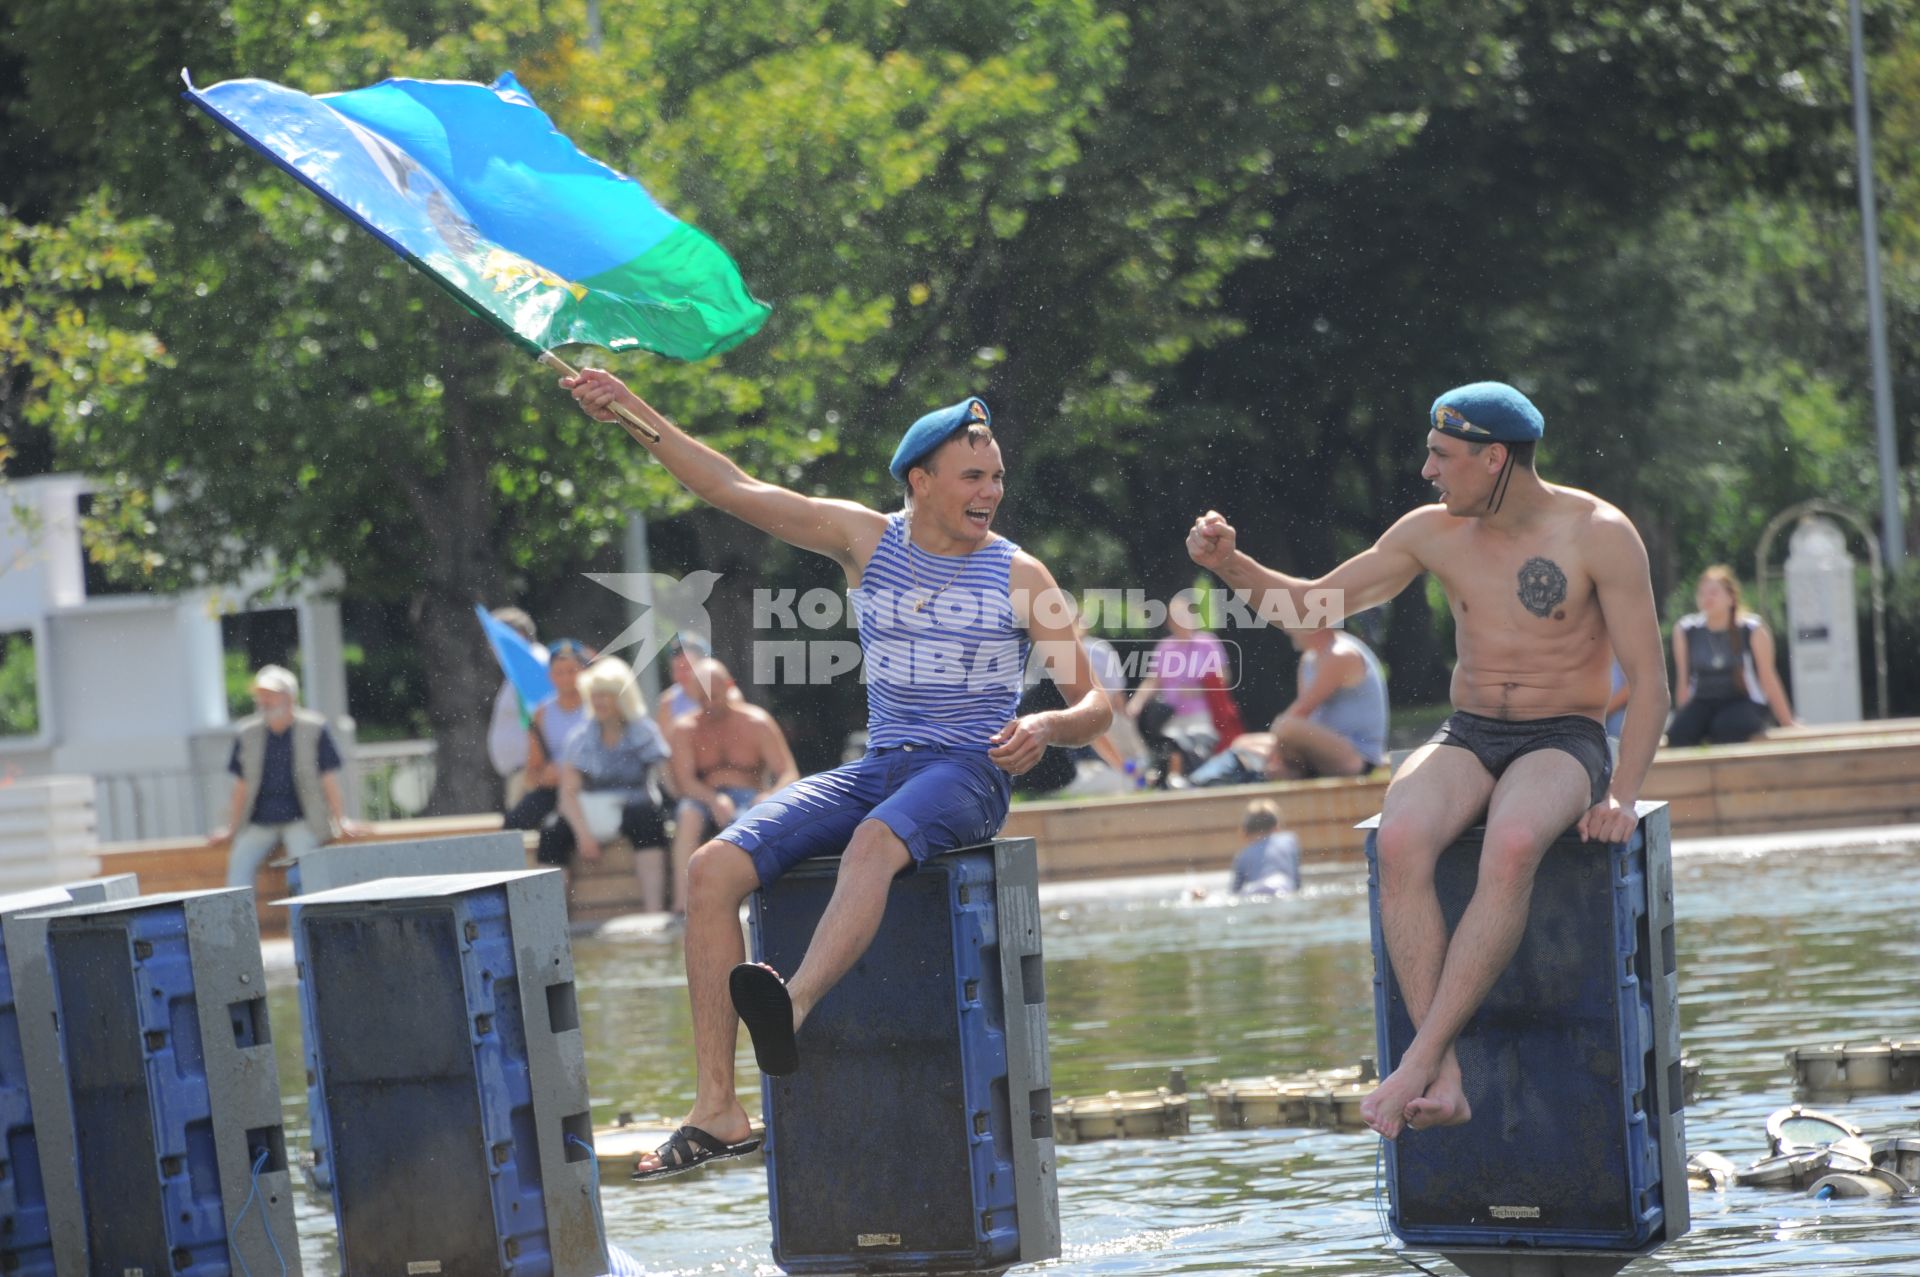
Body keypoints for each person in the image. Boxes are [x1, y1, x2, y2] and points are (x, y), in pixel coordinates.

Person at [562, 368, 1110, 1179]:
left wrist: (1047, 724)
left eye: (996, 476)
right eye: (973, 476)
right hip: (880, 762)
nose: (991, 490)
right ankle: (717, 1107)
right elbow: (730, 486)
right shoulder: (864, 538)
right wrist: (630, 412)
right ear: (920, 481)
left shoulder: (1021, 574)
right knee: (711, 869)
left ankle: (795, 1000)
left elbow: (1099, 700)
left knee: (874, 841)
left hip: (970, 769)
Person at [1186, 380, 1668, 1141]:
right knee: (1399, 837)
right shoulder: (1431, 530)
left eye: (1442, 456)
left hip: (1563, 736)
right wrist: (1231, 563)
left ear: (1494, 458)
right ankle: (1441, 1072)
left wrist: (1622, 791)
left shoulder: (1599, 533)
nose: (1426, 471)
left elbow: (1650, 683)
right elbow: (1311, 605)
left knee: (1511, 845)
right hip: (1472, 729)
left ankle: (1418, 1058)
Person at [664, 657, 801, 918]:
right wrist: (713, 799)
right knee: (688, 816)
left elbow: (788, 772)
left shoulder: (756, 722)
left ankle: (752, 899)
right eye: (700, 699)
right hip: (702, 797)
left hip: (749, 797)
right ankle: (683, 902)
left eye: (713, 697)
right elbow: (685, 781)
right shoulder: (685, 728)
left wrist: (769, 796)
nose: (707, 705)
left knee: (749, 820)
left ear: (728, 686)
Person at [212, 664, 365, 888]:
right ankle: (238, 923)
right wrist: (232, 828)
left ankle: (300, 922)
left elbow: (328, 779)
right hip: (259, 822)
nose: (263, 700)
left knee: (302, 871)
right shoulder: (247, 732)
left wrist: (340, 819)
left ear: (290, 697)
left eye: (270, 695)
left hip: (302, 819)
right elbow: (242, 785)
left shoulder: (314, 728)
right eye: (260, 695)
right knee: (239, 866)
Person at [544, 655, 674, 907]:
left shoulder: (644, 731)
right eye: (595, 694)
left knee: (649, 820)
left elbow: (669, 780)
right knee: (552, 832)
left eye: (606, 694)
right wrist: (583, 835)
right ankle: (549, 917)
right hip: (592, 811)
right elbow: (568, 793)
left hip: (635, 807)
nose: (599, 701)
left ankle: (653, 910)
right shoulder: (580, 736)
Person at [1191, 627, 1388, 785]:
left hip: (1356, 758)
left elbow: (1302, 711)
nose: (1286, 630)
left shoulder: (1340, 654)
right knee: (1244, 743)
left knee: (1285, 727)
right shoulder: (1309, 659)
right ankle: (1199, 781)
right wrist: (1276, 749)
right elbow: (1306, 719)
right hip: (1323, 749)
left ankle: (1247, 774)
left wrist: (1274, 749)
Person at [1668, 565, 1798, 745]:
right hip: (1703, 700)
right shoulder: (1686, 630)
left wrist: (1787, 722)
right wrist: (1682, 716)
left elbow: (1768, 678)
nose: (1707, 598)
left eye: (1713, 592)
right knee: (1679, 733)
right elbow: (1683, 681)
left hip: (1742, 700)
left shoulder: (1752, 629)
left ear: (1730, 597)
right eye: (1702, 593)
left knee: (1727, 728)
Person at [503, 638, 594, 835]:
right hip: (556, 788)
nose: (566, 678)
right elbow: (532, 773)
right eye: (559, 672)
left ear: (584, 671)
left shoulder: (598, 706)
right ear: (551, 676)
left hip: (593, 785)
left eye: (572, 671)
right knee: (513, 823)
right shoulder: (541, 713)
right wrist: (545, 777)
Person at [1127, 593, 1230, 740]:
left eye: (1183, 615)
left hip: (1202, 714)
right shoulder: (1164, 647)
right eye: (1174, 616)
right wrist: (1136, 703)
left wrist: (1197, 691)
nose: (1179, 621)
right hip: (1171, 716)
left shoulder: (1207, 643)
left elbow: (1223, 678)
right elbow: (1153, 680)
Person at [485, 606, 539, 808]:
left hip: (529, 771)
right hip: (522, 771)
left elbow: (538, 721)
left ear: (516, 636)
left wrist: (535, 767)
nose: (491, 647)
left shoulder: (530, 668)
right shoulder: (520, 670)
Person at [1229, 800, 1302, 895]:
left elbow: (1235, 891)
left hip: (1255, 889)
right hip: (1282, 886)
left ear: (1245, 832)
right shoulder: (1289, 840)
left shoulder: (1242, 855)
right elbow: (1296, 880)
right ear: (1277, 826)